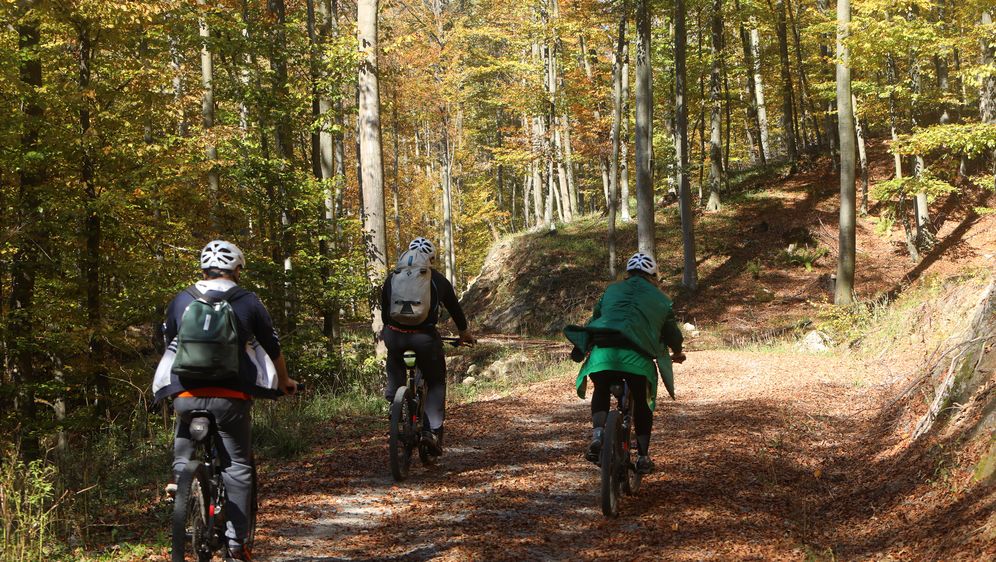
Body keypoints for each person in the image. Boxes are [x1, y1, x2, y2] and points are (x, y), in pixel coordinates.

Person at [153, 240, 298, 562]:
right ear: (238, 270)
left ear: (203, 268)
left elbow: (168, 343)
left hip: (186, 394)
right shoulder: (247, 300)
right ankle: (236, 544)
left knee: (184, 436)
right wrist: (284, 382)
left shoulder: (182, 299)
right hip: (231, 398)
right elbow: (272, 347)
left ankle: (181, 479)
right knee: (237, 466)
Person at [564, 252, 685, 475]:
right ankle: (643, 457)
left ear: (628, 273)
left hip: (602, 354)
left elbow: (597, 317)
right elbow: (672, 334)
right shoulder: (662, 300)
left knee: (601, 387)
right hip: (637, 360)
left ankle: (598, 435)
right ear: (654, 276)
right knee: (642, 400)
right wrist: (677, 351)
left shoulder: (611, 290)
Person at [380, 237, 475, 455]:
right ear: (431, 259)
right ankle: (431, 432)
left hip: (395, 336)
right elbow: (455, 310)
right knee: (436, 381)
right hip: (424, 339)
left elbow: (386, 313)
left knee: (394, 359)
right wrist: (464, 334)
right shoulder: (436, 279)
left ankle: (394, 399)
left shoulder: (392, 278)